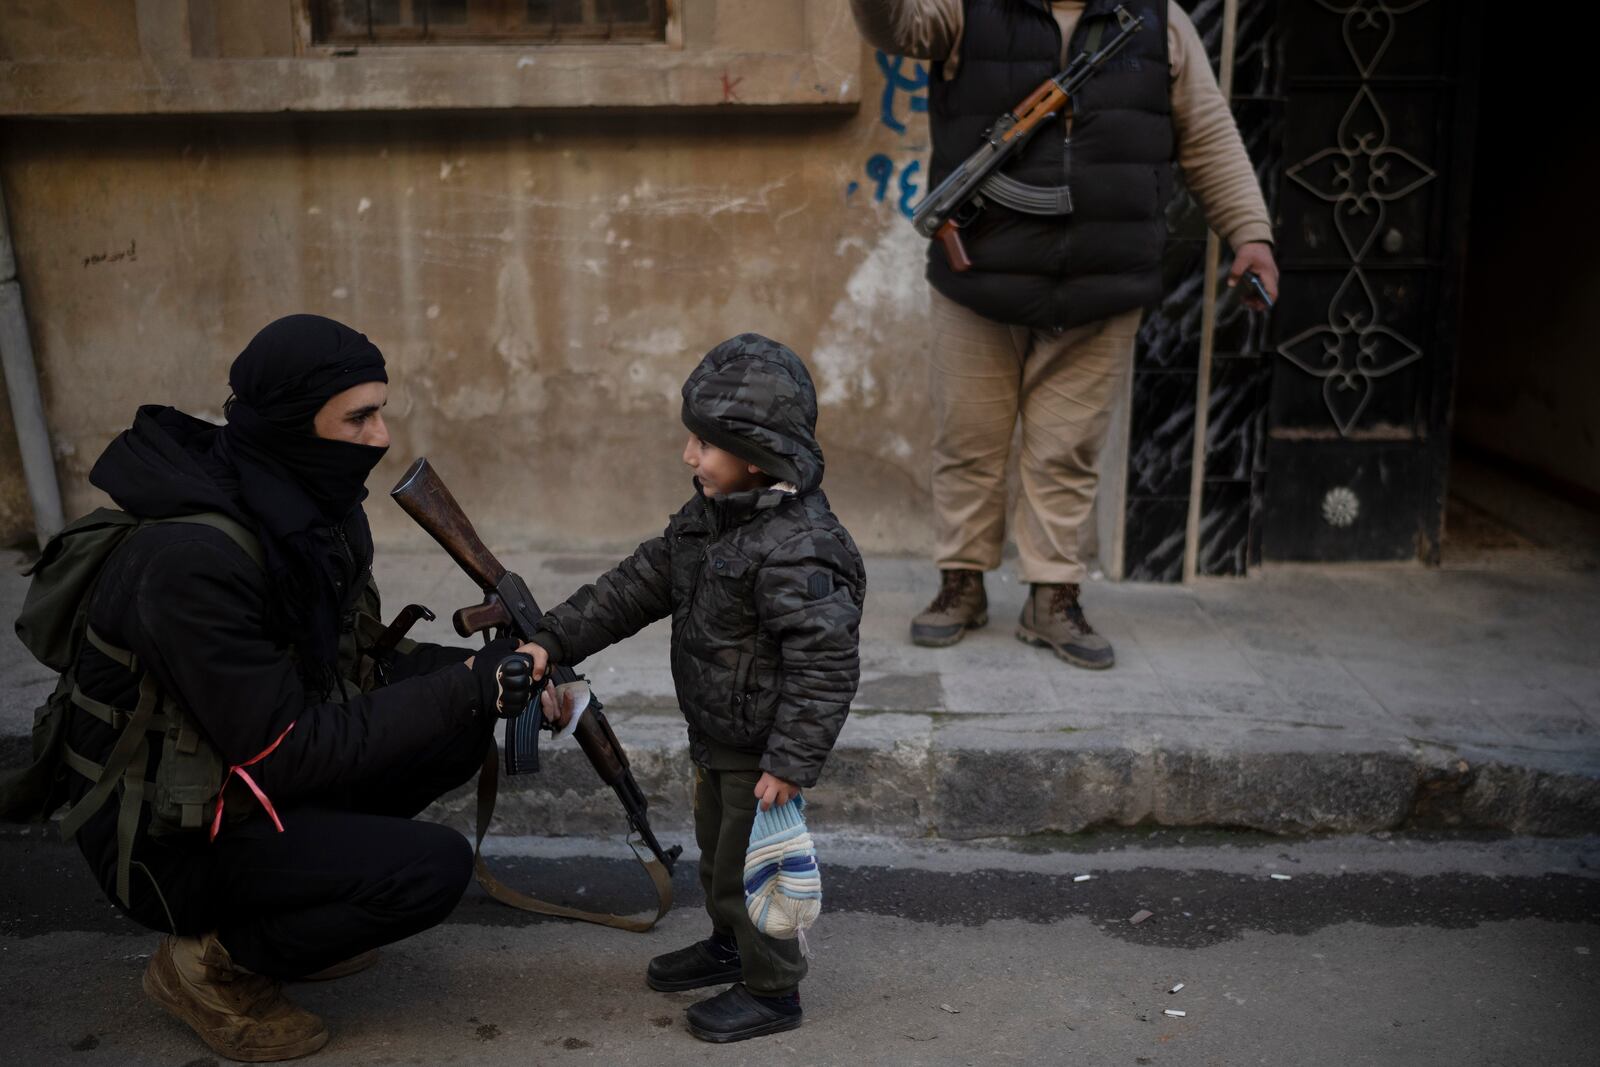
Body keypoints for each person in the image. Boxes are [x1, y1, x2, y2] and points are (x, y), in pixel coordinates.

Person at [51, 315, 558, 1062]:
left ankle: (291, 915)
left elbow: (359, 662)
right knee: (432, 868)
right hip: (165, 840)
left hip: (235, 784)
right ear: (294, 422)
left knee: (457, 724)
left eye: (381, 410)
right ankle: (210, 961)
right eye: (359, 417)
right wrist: (466, 686)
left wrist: (497, 674)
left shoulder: (309, 512)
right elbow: (282, 750)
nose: (382, 436)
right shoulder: (190, 560)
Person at [849, 0, 1278, 668]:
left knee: (1068, 448)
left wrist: (1250, 233)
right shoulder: (966, 9)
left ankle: (1053, 594)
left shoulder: (1159, 21)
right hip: (981, 279)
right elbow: (895, 28)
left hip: (1103, 281)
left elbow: (1208, 136)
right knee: (969, 440)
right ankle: (961, 582)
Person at [522, 333, 865, 1043]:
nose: (689, 456)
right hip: (716, 732)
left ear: (755, 454)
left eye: (704, 444)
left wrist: (790, 761)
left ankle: (773, 988)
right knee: (717, 849)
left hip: (762, 748)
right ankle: (728, 945)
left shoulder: (800, 543)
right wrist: (551, 640)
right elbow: (630, 588)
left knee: (752, 862)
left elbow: (825, 662)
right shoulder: (707, 518)